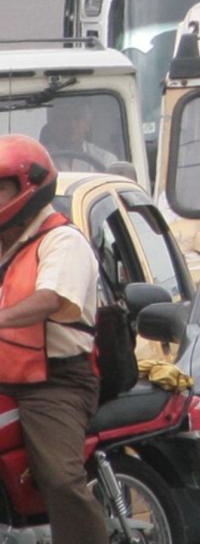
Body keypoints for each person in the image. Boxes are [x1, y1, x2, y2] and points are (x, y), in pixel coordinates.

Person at [0, 135, 108, 543]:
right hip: (5, 377)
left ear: (28, 187)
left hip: (54, 382)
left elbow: (52, 297)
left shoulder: (62, 240)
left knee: (60, 479)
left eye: (0, 188)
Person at [38, 97, 119, 172]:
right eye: (64, 118)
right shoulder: (38, 159)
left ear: (87, 124)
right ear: (52, 124)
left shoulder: (105, 159)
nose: (71, 125)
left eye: (77, 118)